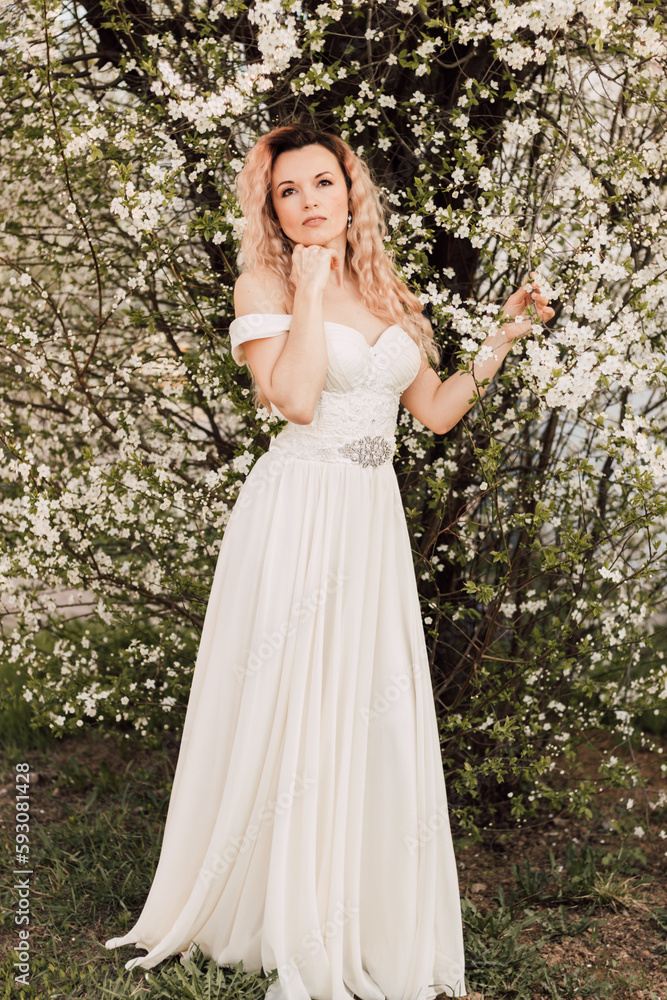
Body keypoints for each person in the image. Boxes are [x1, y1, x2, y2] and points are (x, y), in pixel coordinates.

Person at [104, 123, 554, 1000]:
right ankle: (275, 901)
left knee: (361, 700)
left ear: (351, 190)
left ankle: (352, 898)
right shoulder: (263, 283)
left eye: (322, 183)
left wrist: (502, 336)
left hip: (369, 518)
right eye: (288, 191)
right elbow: (298, 399)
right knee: (291, 696)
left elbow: (434, 412)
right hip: (298, 512)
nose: (309, 201)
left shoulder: (389, 291)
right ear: (271, 210)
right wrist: (307, 294)